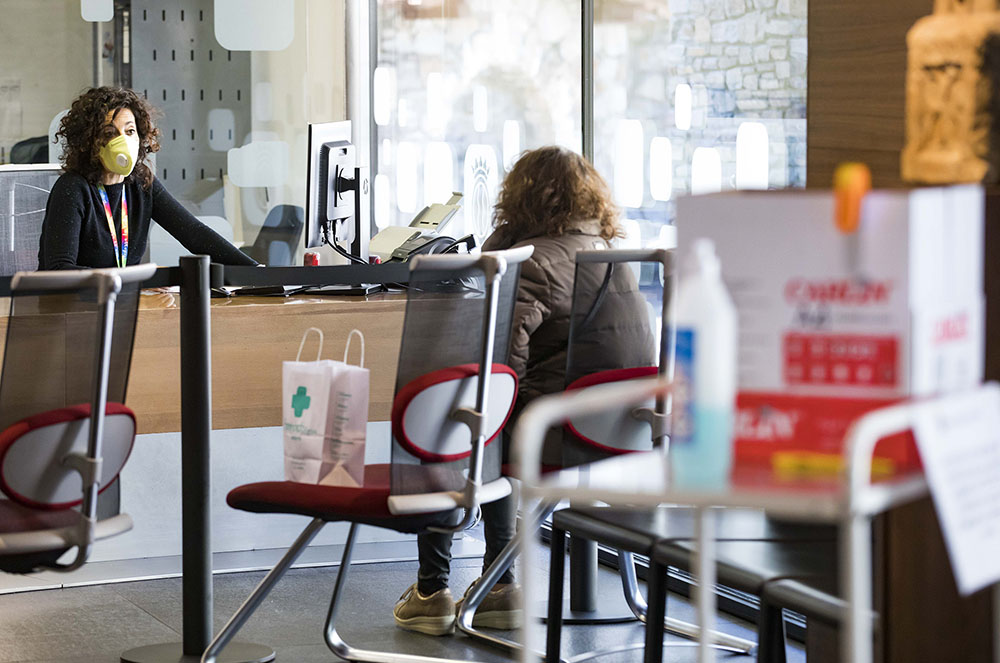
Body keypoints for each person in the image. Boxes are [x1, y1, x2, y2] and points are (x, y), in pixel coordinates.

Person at [393, 145, 656, 636]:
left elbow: (498, 368)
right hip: (626, 429)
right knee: (488, 419)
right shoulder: (614, 255)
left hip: (558, 433)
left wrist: (504, 241)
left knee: (457, 423)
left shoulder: (535, 263)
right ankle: (495, 585)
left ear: (522, 199)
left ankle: (441, 590)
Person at [38, 87, 257, 270]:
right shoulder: (73, 188)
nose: (122, 141)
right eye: (109, 133)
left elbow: (194, 234)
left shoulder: (140, 183)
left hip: (121, 306)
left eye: (130, 131)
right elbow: (60, 269)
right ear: (88, 142)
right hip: (71, 311)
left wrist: (255, 271)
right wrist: (129, 284)